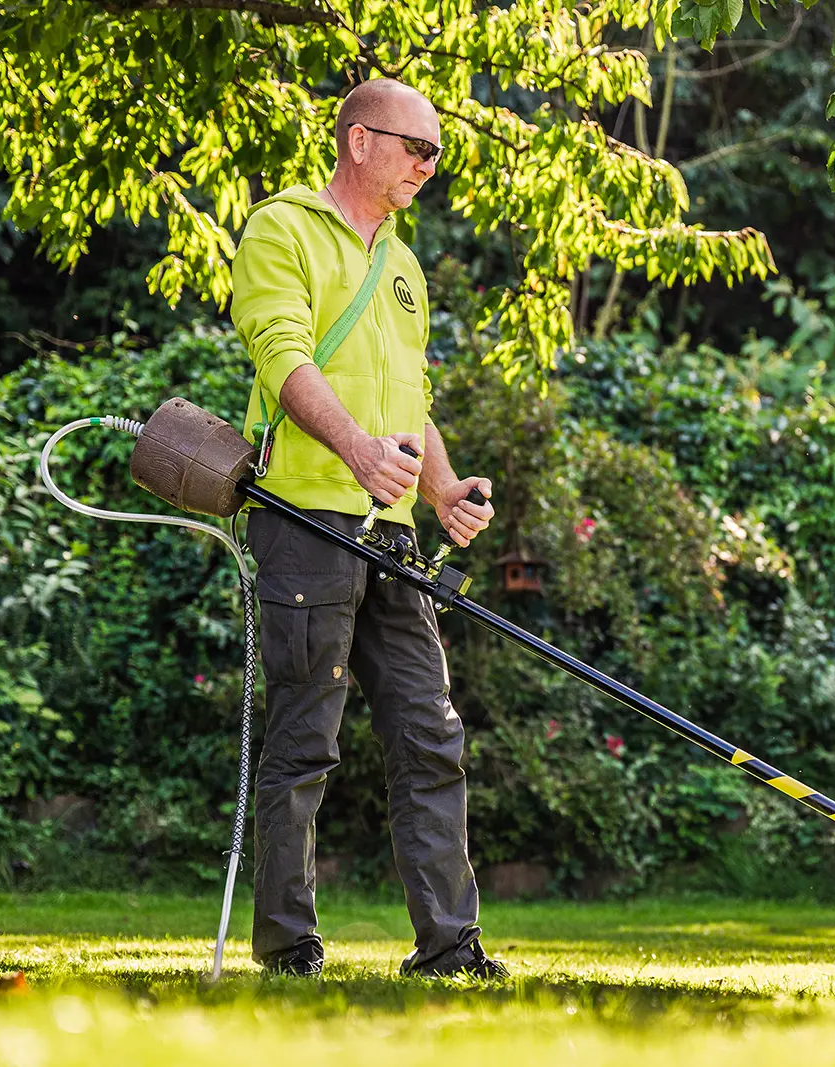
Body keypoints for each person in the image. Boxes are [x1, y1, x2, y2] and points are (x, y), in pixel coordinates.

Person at [229, 78, 507, 980]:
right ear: (357, 140)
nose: (429, 165)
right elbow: (284, 358)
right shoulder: (284, 228)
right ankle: (288, 947)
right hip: (307, 521)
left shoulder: (403, 264)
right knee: (306, 737)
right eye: (414, 147)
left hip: (389, 533)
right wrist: (352, 449)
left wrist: (441, 488)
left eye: (437, 153)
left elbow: (410, 401)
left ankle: (450, 947)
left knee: (431, 734)